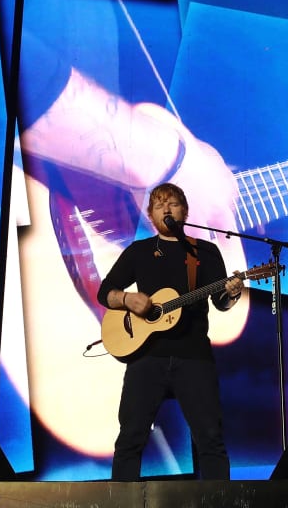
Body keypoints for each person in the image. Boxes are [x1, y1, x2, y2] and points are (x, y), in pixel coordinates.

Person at [96, 181, 244, 481]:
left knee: (210, 439)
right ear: (150, 215)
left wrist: (232, 293)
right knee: (130, 439)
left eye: (173, 202)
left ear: (184, 211)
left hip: (194, 357)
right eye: (159, 204)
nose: (166, 208)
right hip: (146, 357)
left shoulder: (205, 251)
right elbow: (105, 293)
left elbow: (221, 302)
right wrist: (127, 299)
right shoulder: (139, 252)